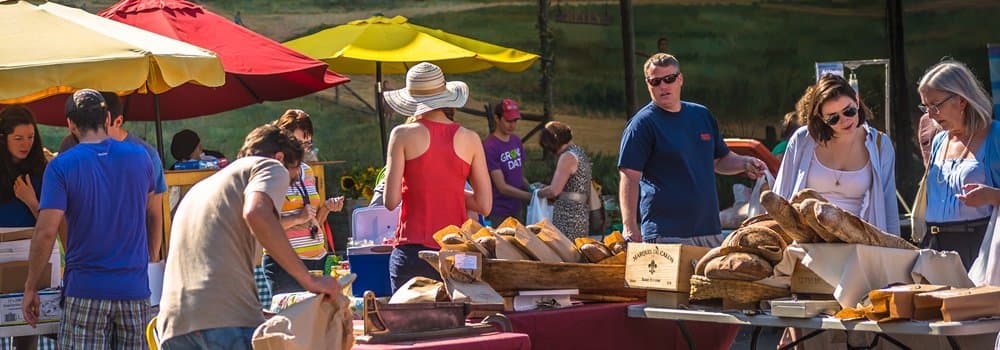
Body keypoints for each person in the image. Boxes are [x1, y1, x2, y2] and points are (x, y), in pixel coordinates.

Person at [157, 125, 342, 349]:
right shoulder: (271, 166)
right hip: (222, 324)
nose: (287, 187)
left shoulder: (203, 187)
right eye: (292, 180)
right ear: (280, 157)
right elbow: (256, 212)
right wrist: (309, 280)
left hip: (173, 328)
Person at [22, 89, 156, 349]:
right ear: (107, 118)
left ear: (70, 124)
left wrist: (30, 286)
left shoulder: (61, 166)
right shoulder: (141, 157)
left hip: (86, 290)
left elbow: (47, 232)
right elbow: (151, 210)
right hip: (135, 290)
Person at [618, 53, 767, 246]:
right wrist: (629, 226)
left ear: (680, 79)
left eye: (669, 79)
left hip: (709, 230)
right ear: (648, 84)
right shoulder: (642, 124)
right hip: (666, 232)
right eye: (656, 82)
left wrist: (746, 163)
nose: (663, 86)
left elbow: (720, 160)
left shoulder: (701, 115)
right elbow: (629, 176)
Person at [382, 62, 492, 292]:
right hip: (456, 252)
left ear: (412, 100)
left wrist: (426, 187)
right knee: (457, 326)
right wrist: (447, 190)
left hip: (412, 251)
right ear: (446, 97)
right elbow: (484, 205)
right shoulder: (470, 138)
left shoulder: (401, 134)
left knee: (409, 325)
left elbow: (390, 201)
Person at [773, 74, 899, 234]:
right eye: (833, 118)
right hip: (808, 245)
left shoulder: (880, 144)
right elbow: (780, 198)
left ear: (857, 101)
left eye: (849, 111)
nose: (844, 120)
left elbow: (889, 208)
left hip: (857, 246)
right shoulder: (803, 140)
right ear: (821, 118)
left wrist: (895, 252)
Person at [916, 60, 1000, 270]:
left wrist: (991, 196)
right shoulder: (938, 140)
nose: (930, 114)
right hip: (935, 247)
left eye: (936, 105)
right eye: (925, 107)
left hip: (981, 245)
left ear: (962, 100)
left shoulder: (995, 135)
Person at [265, 109, 345, 294]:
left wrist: (326, 208)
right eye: (298, 143)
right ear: (283, 139)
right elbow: (263, 225)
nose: (303, 149)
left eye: (307, 144)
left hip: (317, 260)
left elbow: (315, 221)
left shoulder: (307, 171)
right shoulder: (272, 172)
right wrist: (297, 218)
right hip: (285, 264)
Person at [0, 106, 47, 350]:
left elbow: (51, 225)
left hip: (30, 258)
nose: (25, 144)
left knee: (26, 330)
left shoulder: (42, 170)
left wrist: (31, 202)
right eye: (18, 138)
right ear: (4, 138)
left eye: (30, 137)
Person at [536, 121, 592, 239]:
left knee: (564, 254)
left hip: (567, 217)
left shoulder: (567, 156)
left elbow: (554, 191)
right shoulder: (579, 152)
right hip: (581, 214)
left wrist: (537, 193)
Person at [483, 99, 531, 225]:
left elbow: (519, 175)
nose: (512, 125)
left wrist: (533, 189)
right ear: (497, 119)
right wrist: (530, 197)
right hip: (499, 211)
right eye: (508, 121)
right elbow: (502, 187)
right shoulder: (490, 146)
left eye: (515, 121)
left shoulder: (516, 141)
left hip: (516, 207)